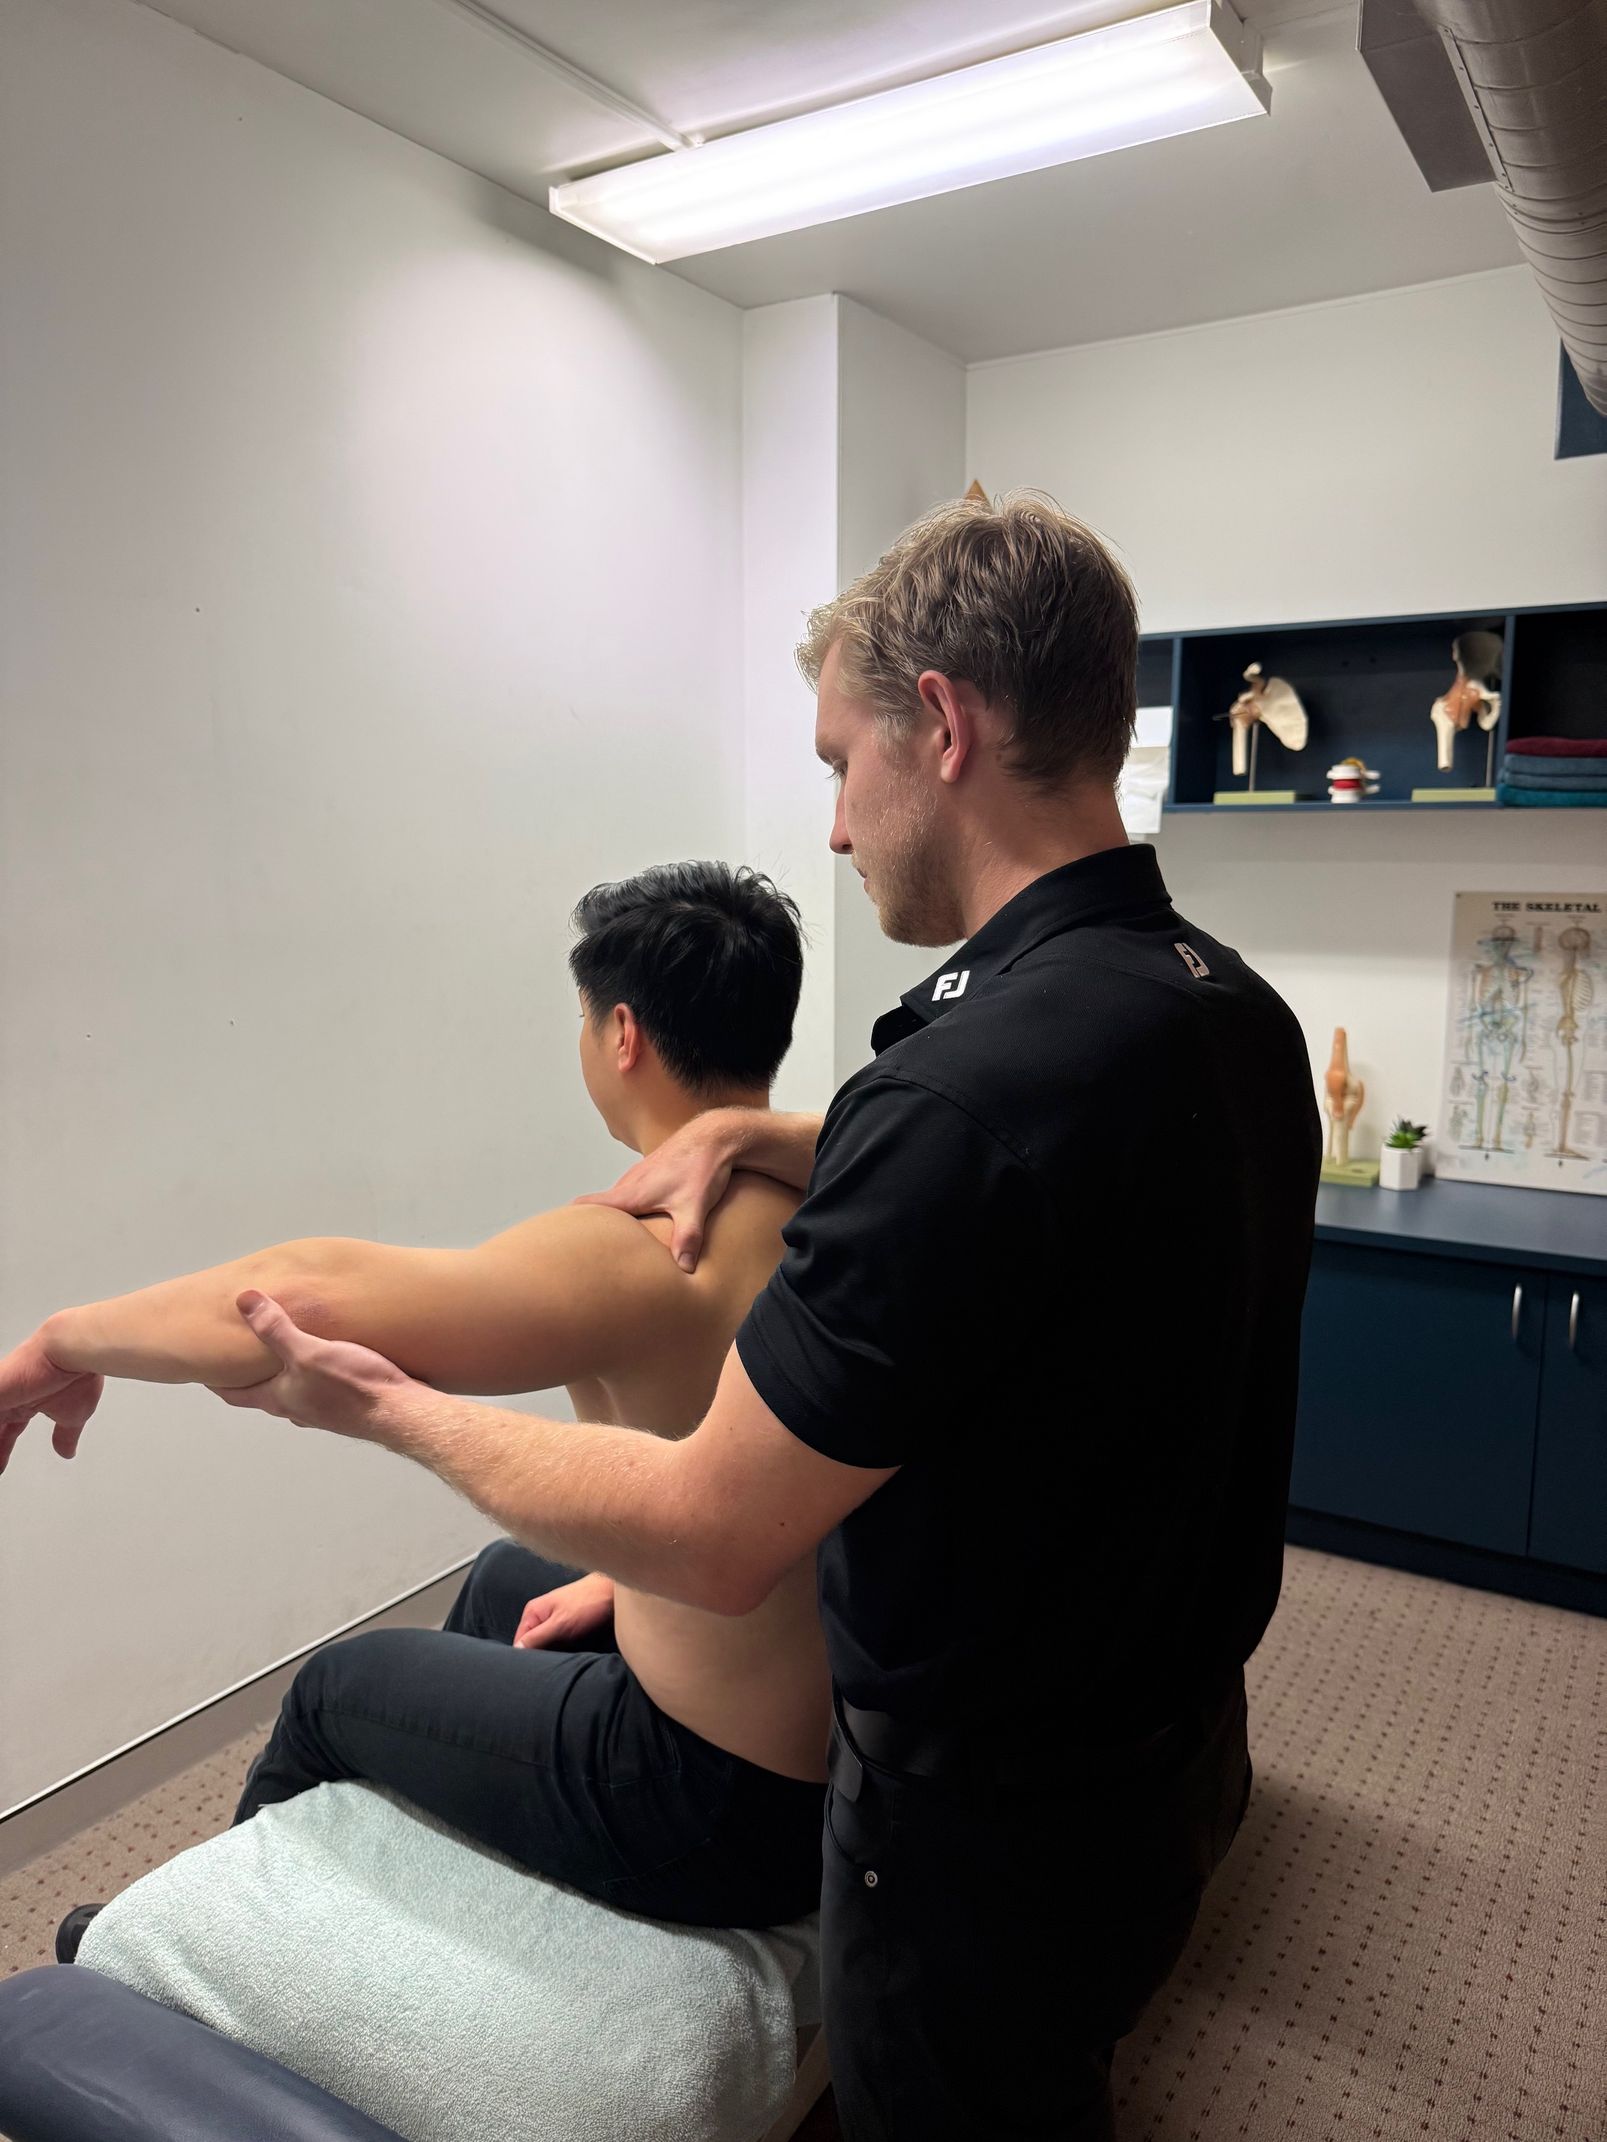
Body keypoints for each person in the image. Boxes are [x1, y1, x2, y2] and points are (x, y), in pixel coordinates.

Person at [18, 495, 1320, 2139]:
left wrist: (357, 1403)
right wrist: (777, 1130)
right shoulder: (1220, 1014)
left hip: (978, 1829)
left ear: (940, 725)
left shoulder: (949, 1104)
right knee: (522, 1590)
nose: (835, 826)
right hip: (1155, 1733)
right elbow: (1027, 1213)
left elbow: (704, 1530)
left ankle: (192, 1987)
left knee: (359, 1682)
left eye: (840, 760)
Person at [0, 862, 830, 1934]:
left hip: (709, 1806)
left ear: (620, 1034)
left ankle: (168, 1953)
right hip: (801, 1740)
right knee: (500, 1582)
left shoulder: (642, 1251)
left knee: (337, 1689)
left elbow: (291, 1296)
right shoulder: (838, 1197)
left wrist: (58, 1343)